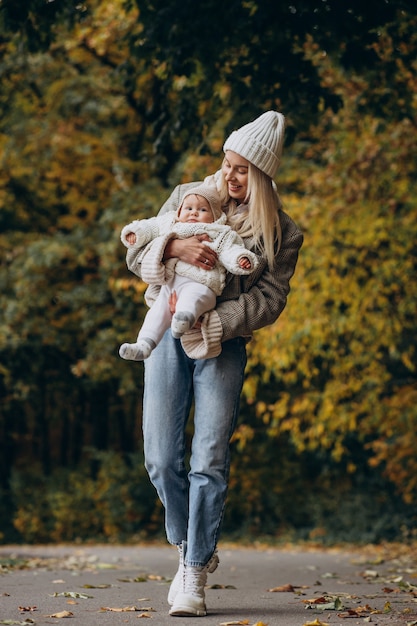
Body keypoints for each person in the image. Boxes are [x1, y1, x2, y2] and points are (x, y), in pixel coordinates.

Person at [124, 111, 303, 617]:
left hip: (222, 343)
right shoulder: (189, 195)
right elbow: (137, 251)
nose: (229, 175)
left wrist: (220, 320)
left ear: (264, 178)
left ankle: (195, 571)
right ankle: (187, 546)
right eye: (227, 164)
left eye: (243, 169)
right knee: (160, 458)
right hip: (164, 337)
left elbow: (271, 298)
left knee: (209, 457)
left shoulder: (281, 233)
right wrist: (173, 244)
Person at [119, 183, 259, 361]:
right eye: (189, 208)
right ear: (178, 212)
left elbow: (230, 251)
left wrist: (240, 259)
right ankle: (144, 345)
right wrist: (135, 232)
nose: (193, 213)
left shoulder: (219, 232)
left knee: (192, 299)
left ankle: (184, 319)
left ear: (215, 217)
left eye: (202, 210)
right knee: (156, 312)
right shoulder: (171, 223)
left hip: (201, 285)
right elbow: (150, 226)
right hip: (169, 287)